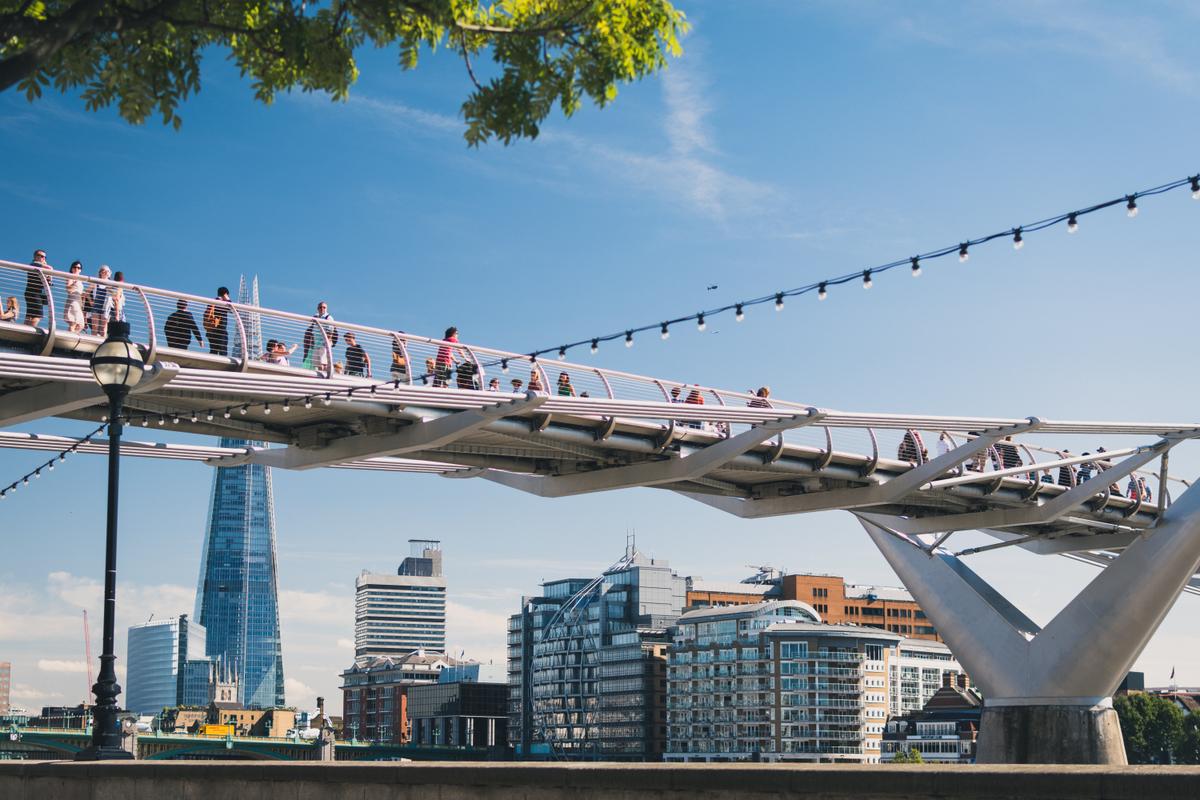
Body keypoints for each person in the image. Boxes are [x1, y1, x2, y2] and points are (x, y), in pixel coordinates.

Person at [303, 301, 337, 374]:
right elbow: (311, 328)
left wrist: (327, 343)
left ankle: (325, 377)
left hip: (324, 344)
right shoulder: (316, 317)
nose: (322, 309)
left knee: (323, 363)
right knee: (317, 364)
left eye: (324, 307)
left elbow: (330, 331)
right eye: (320, 307)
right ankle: (320, 377)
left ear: (326, 308)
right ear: (318, 308)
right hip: (316, 344)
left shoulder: (329, 317)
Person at [23, 249, 51, 327]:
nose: (43, 258)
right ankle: (30, 331)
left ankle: (23, 331)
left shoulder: (40, 268)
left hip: (34, 293)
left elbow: (48, 281)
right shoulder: (34, 264)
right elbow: (50, 268)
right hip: (34, 293)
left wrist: (48, 277)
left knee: (29, 316)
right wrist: (47, 268)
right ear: (35, 256)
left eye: (45, 257)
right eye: (41, 256)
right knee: (38, 315)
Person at [204, 286, 231, 356]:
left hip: (211, 331)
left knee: (213, 351)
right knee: (223, 353)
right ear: (225, 294)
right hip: (220, 332)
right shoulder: (222, 303)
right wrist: (228, 300)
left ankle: (211, 366)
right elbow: (233, 310)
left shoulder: (212, 302)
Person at [89, 265, 112, 335]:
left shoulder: (111, 284)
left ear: (109, 273)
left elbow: (115, 296)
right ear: (100, 273)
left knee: (103, 328)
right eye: (103, 271)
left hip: (106, 307)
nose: (105, 272)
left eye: (107, 271)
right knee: (94, 327)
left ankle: (103, 344)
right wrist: (90, 301)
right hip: (96, 305)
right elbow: (86, 293)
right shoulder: (96, 282)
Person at [64, 261, 85, 333]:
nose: (76, 269)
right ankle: (70, 338)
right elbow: (68, 289)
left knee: (81, 324)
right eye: (75, 267)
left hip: (78, 301)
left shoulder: (80, 279)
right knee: (73, 321)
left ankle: (72, 336)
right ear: (72, 268)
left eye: (78, 267)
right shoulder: (71, 277)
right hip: (73, 300)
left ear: (80, 270)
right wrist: (74, 283)